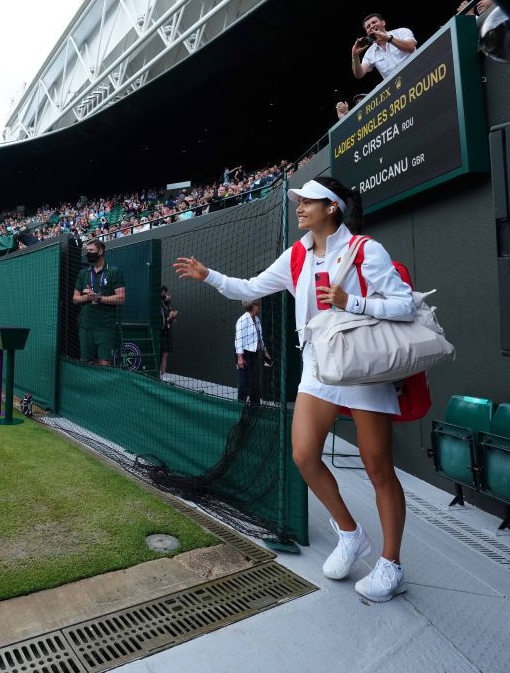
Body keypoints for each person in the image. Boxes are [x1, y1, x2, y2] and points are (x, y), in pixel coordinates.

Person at [173, 175, 415, 602]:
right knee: (304, 455)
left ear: (332, 208)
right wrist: (207, 275)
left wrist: (352, 302)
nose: (300, 208)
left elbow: (405, 304)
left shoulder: (366, 250)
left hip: (362, 366)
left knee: (379, 468)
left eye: (309, 202)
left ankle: (390, 564)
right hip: (317, 366)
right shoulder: (297, 254)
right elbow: (248, 289)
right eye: (299, 202)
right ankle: (350, 534)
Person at [72, 239, 126, 365]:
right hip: (86, 327)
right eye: (87, 250)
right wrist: (88, 298)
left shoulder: (114, 272)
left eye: (91, 250)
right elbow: (75, 299)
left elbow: (121, 298)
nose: (88, 253)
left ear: (100, 251)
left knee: (104, 364)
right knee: (86, 363)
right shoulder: (83, 273)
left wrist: (99, 298)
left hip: (105, 328)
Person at [351, 13, 417, 81]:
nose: (371, 26)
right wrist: (355, 55)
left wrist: (389, 39)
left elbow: (411, 48)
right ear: (367, 32)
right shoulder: (369, 53)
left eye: (374, 22)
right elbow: (359, 74)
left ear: (383, 23)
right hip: (398, 87)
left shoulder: (401, 32)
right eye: (368, 26)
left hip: (419, 73)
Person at [234, 300, 270, 405]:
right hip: (244, 354)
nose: (259, 306)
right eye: (257, 305)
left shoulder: (257, 319)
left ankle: (255, 405)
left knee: (255, 381)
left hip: (254, 353)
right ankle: (240, 406)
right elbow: (238, 340)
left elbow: (259, 338)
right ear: (251, 306)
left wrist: (265, 351)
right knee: (244, 382)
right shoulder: (242, 320)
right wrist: (240, 358)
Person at [159, 285, 178, 378]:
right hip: (161, 334)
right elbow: (161, 322)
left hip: (168, 334)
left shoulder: (169, 307)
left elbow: (174, 322)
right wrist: (170, 317)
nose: (166, 294)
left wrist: (173, 316)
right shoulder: (159, 307)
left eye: (166, 292)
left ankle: (163, 373)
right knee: (161, 353)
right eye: (164, 292)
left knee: (165, 354)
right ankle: (158, 373)